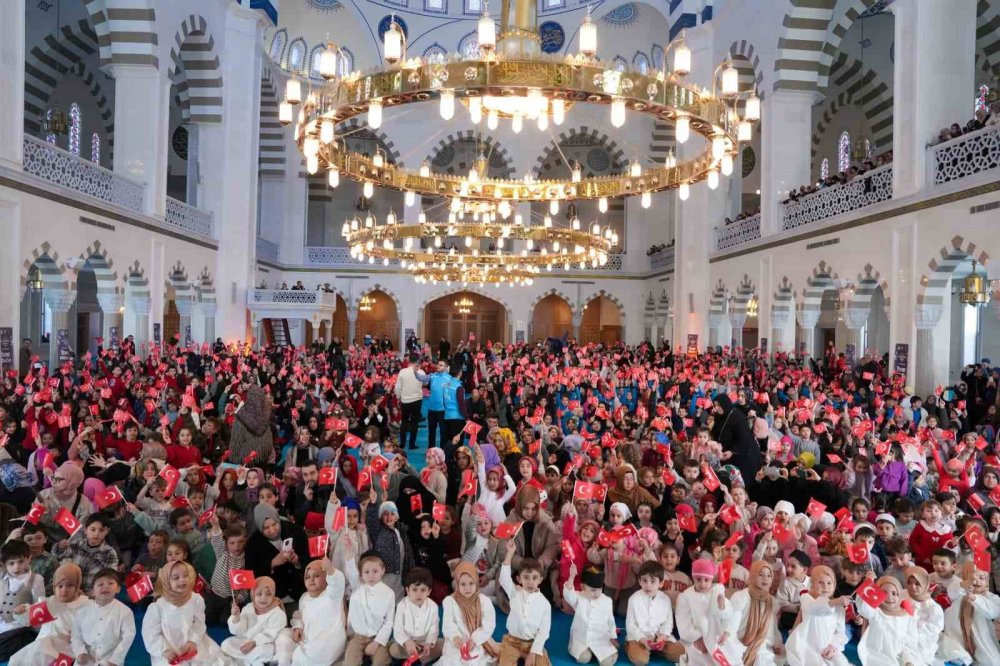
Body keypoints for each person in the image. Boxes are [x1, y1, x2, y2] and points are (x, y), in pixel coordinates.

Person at [140, 560, 226, 666]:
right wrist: (164, 650)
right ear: (166, 581)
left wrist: (193, 641)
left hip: (193, 643)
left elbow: (199, 623)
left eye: (185, 575)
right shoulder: (157, 607)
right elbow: (150, 634)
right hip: (170, 649)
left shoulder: (196, 599)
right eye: (176, 578)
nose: (182, 580)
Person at [9, 563, 89, 666]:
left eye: (70, 585)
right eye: (60, 586)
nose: (64, 590)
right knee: (17, 661)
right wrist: (21, 611)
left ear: (77, 586)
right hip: (42, 648)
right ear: (54, 587)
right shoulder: (51, 604)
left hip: (68, 651)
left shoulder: (85, 606)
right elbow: (31, 617)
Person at [275, 558, 348, 666]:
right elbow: (299, 615)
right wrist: (297, 627)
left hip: (326, 641)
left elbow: (338, 584)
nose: (311, 580)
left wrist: (330, 570)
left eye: (317, 575)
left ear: (325, 577)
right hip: (306, 637)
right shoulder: (304, 597)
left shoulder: (332, 595)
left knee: (307, 656)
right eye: (307, 577)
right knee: (283, 636)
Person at [498, 539, 552, 665]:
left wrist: (533, 653)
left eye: (534, 578)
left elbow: (543, 632)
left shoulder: (545, 604)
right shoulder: (514, 593)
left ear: (540, 580)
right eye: (526, 577)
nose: (530, 582)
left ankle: (539, 655)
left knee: (541, 663)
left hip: (532, 644)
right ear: (519, 579)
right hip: (512, 642)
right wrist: (510, 554)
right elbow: (504, 579)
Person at [783, 565, 849, 666]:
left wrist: (833, 647)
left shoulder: (839, 608)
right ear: (813, 584)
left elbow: (840, 634)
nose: (826, 587)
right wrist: (834, 602)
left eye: (829, 583)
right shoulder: (807, 598)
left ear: (834, 584)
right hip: (805, 646)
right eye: (820, 582)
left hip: (826, 648)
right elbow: (814, 609)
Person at [69, 567, 136, 666]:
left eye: (111, 583)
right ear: (92, 591)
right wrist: (80, 652)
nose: (105, 587)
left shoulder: (125, 612)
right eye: (100, 584)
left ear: (118, 589)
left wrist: (116, 659)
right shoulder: (82, 611)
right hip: (86, 660)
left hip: (110, 660)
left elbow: (128, 637)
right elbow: (75, 635)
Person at [625, 560, 683, 664]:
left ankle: (657, 650)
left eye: (652, 581)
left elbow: (668, 622)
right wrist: (642, 640)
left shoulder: (665, 599)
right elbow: (630, 625)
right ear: (639, 581)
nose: (648, 585)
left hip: (660, 637)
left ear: (661, 583)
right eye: (644, 580)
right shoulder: (633, 599)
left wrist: (662, 636)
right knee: (640, 660)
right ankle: (633, 647)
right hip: (639, 637)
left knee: (680, 654)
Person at [342, 551, 394, 666]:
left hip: (377, 637)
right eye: (366, 572)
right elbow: (351, 570)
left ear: (383, 571)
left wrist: (376, 643)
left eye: (375, 571)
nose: (371, 575)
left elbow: (388, 622)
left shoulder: (389, 593)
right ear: (361, 574)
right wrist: (349, 549)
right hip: (357, 637)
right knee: (350, 662)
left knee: (381, 662)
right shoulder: (357, 588)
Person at [440, 562, 497, 665]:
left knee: (473, 661)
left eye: (471, 583)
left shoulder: (484, 601)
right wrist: (455, 637)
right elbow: (448, 623)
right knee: (453, 661)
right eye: (463, 584)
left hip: (477, 641)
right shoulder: (450, 601)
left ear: (476, 582)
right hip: (457, 643)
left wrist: (474, 640)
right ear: (457, 583)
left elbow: (489, 625)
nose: (467, 588)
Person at [222, 576, 287, 664]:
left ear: (273, 594)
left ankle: (247, 660)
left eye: (268, 594)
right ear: (253, 594)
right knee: (226, 644)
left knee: (263, 651)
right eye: (259, 594)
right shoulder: (249, 607)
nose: (263, 598)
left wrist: (254, 643)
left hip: (263, 644)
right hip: (245, 641)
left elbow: (271, 634)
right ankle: (250, 660)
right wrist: (236, 617)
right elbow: (239, 631)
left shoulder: (277, 613)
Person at [0, 540, 46, 660]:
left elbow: (39, 610)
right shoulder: (2, 576)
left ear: (28, 559)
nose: (16, 567)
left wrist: (26, 610)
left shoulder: (36, 580)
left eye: (20, 561)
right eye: (11, 563)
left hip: (19, 630)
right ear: (4, 564)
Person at [389, 567, 442, 664]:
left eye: (423, 590)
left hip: (424, 642)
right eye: (414, 590)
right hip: (407, 642)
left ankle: (421, 656)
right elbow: (398, 629)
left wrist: (428, 643)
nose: (419, 594)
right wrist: (407, 642)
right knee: (394, 650)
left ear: (429, 591)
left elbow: (433, 629)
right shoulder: (402, 605)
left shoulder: (433, 606)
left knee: (444, 644)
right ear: (408, 590)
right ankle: (418, 656)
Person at [395, 352, 430, 450]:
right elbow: (426, 382)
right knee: (415, 422)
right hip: (417, 400)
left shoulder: (402, 371)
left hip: (405, 400)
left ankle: (402, 444)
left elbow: (397, 387)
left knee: (404, 421)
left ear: (408, 360)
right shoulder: (421, 372)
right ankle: (412, 444)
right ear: (418, 361)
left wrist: (398, 397)